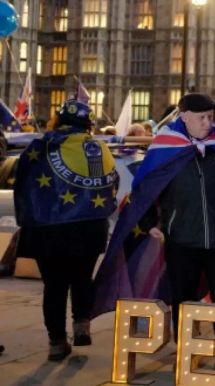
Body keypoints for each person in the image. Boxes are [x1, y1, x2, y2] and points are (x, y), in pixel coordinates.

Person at [147, 93, 215, 371]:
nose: (208, 123)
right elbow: (145, 186)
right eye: (202, 117)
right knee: (182, 297)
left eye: (211, 117)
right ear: (185, 117)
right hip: (181, 239)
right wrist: (152, 223)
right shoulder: (166, 147)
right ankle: (187, 353)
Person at [14, 100, 119, 361]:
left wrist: (26, 219)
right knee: (83, 278)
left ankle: (57, 342)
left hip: (48, 230)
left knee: (54, 286)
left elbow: (23, 183)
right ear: (89, 124)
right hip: (88, 227)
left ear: (58, 121)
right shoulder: (99, 147)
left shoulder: (41, 146)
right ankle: (81, 323)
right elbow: (111, 184)